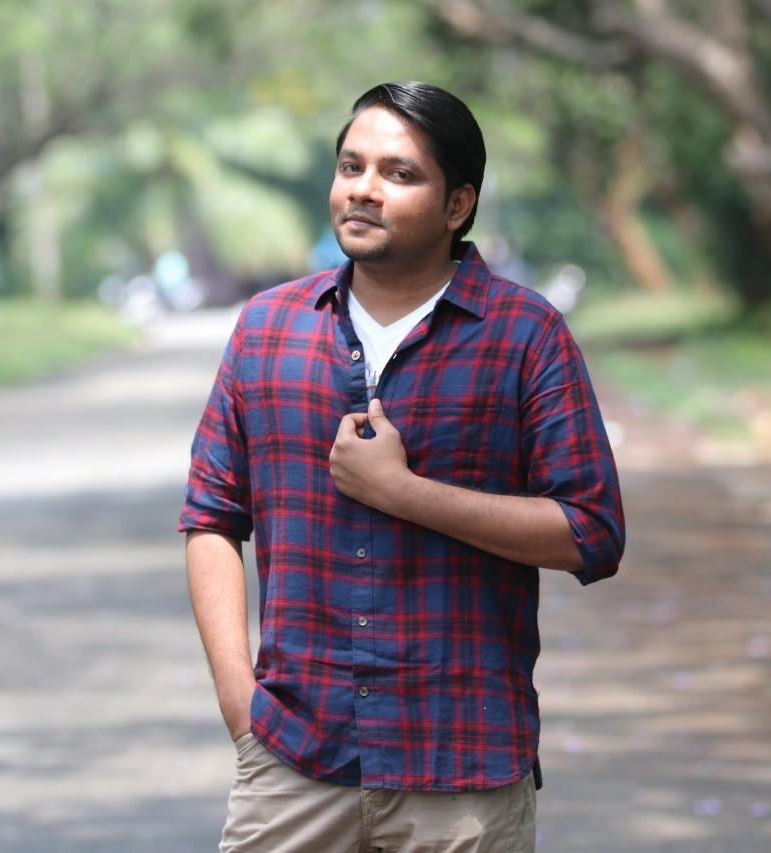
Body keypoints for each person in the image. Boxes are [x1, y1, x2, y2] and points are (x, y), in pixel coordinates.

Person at [179, 81, 625, 852]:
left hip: (462, 768)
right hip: (292, 758)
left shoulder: (525, 336)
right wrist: (237, 699)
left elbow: (592, 532)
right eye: (351, 166)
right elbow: (211, 516)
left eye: (399, 173)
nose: (364, 189)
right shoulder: (268, 329)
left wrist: (403, 492)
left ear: (458, 205)